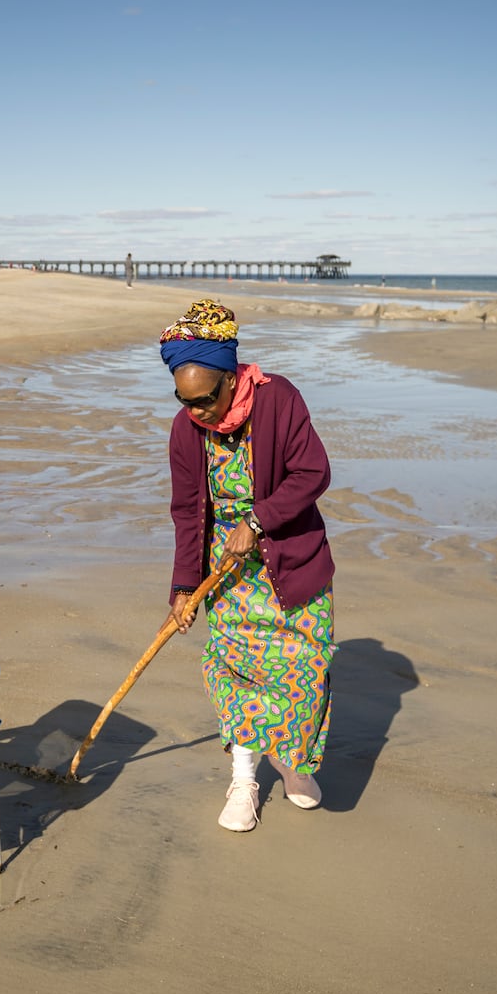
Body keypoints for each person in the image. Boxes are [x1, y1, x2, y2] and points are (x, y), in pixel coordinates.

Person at [159, 300, 336, 832]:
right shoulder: (185, 430)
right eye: (185, 400)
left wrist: (258, 522)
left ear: (231, 379)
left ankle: (294, 765)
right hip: (229, 577)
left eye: (206, 399)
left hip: (291, 561)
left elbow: (313, 473)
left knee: (305, 674)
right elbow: (187, 514)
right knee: (237, 677)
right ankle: (244, 780)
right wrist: (184, 587)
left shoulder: (279, 400)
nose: (198, 412)